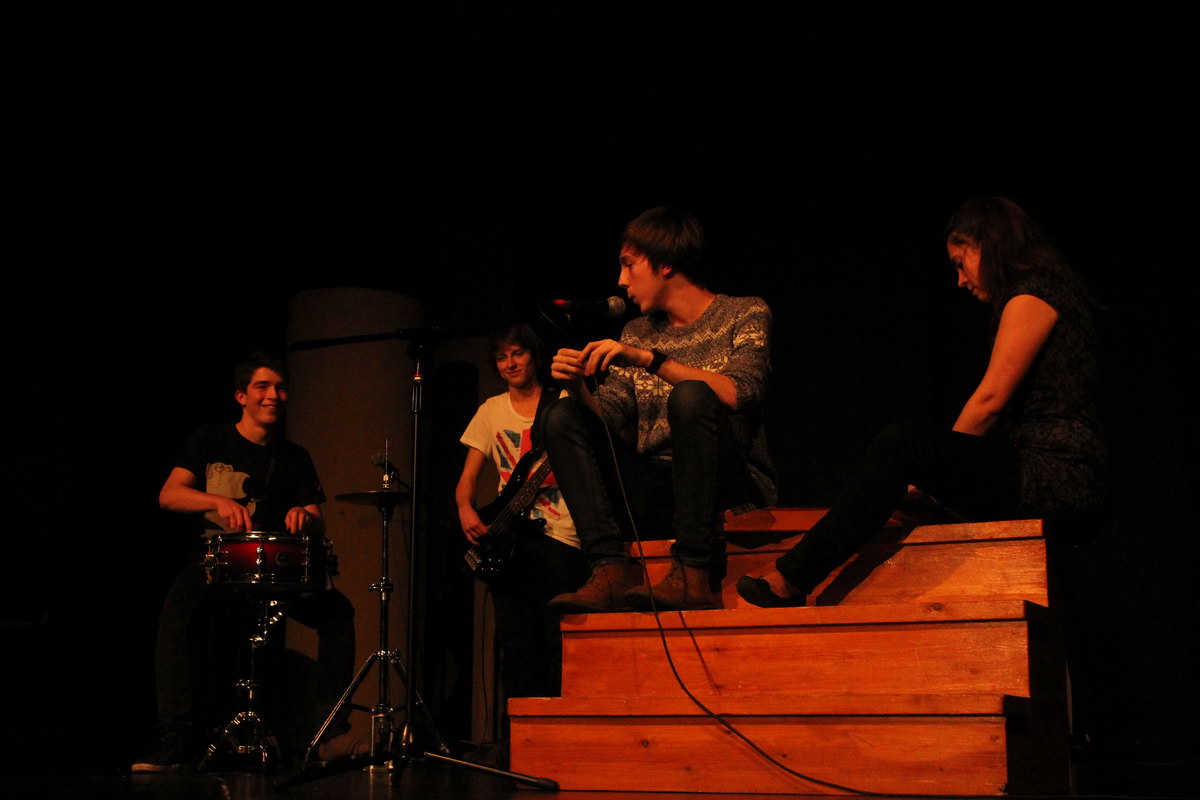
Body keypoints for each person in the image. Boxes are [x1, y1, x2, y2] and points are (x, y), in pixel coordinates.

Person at [737, 196, 1107, 608]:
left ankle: (792, 578)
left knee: (905, 444)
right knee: (903, 488)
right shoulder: (1050, 289)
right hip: (1053, 473)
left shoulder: (1034, 292)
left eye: (960, 263)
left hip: (1056, 477)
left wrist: (937, 469)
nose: (960, 281)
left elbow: (991, 399)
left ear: (987, 243)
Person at [543, 205, 776, 613]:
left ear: (665, 263)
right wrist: (576, 386)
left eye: (628, 264)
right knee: (561, 415)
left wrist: (650, 360)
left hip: (727, 483)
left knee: (691, 395)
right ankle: (609, 568)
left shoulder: (744, 312)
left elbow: (740, 391)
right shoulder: (636, 331)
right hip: (657, 487)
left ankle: (693, 572)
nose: (621, 280)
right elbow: (608, 420)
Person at [133, 352, 356, 772]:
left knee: (337, 612)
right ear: (241, 396)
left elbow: (317, 520)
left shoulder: (295, 456)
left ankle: (330, 733)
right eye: (262, 387)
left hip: (275, 570)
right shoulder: (211, 439)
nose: (273, 395)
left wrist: (304, 516)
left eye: (280, 388)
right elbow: (168, 494)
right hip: (217, 562)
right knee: (177, 618)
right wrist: (215, 500)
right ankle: (173, 740)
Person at [456, 324, 588, 700]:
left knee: (558, 640)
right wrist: (465, 509)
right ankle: (520, 729)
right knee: (516, 644)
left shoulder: (562, 401)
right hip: (508, 538)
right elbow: (467, 478)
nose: (510, 363)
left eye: (518, 353)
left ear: (534, 356)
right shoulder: (491, 410)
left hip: (561, 535)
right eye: (502, 357)